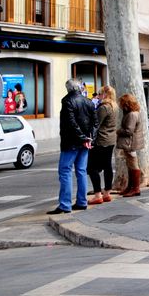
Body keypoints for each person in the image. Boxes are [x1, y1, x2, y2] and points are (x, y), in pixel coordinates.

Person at [48, 79, 97, 215]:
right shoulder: (88, 101)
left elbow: (71, 123)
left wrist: (83, 138)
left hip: (71, 142)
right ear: (79, 88)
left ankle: (65, 205)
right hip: (84, 142)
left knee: (65, 171)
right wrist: (89, 139)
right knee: (81, 171)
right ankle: (82, 202)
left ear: (68, 88)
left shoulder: (67, 101)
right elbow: (95, 123)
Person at [88, 86, 117, 205]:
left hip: (101, 140)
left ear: (105, 94)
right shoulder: (114, 106)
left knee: (92, 168)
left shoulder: (103, 108)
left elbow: (96, 124)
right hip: (111, 140)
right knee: (107, 166)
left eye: (100, 94)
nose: (98, 96)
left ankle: (97, 195)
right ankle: (107, 193)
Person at [116, 93, 144, 197]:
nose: (120, 105)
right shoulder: (134, 113)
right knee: (130, 164)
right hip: (131, 142)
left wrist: (118, 131)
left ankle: (135, 188)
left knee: (133, 164)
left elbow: (129, 131)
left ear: (127, 103)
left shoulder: (131, 114)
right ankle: (130, 187)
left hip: (130, 143)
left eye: (122, 103)